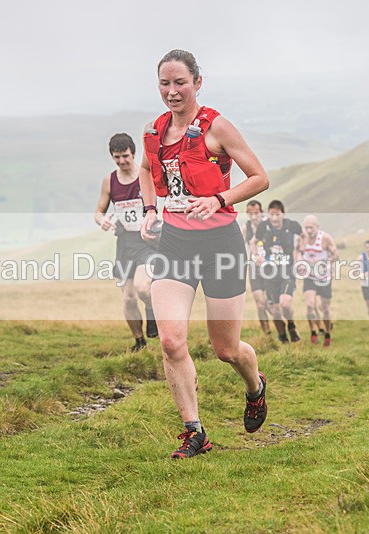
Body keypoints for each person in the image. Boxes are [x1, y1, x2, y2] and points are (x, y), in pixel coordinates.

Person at [139, 50, 269, 459]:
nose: (172, 91)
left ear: (197, 82)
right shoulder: (155, 130)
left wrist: (219, 198)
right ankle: (195, 432)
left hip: (220, 245)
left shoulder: (217, 128)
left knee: (226, 349)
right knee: (172, 342)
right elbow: (146, 169)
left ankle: (255, 386)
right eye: (165, 83)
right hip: (175, 243)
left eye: (180, 82)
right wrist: (148, 210)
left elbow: (260, 178)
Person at [94, 133, 157, 352]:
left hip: (148, 242)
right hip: (125, 244)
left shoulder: (145, 176)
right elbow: (99, 211)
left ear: (134, 153)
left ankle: (151, 309)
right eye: (117, 157)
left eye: (125, 156)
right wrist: (102, 220)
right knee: (128, 299)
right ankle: (139, 342)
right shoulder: (109, 181)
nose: (122, 161)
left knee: (142, 287)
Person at [251, 200, 302, 343]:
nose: (274, 218)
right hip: (269, 274)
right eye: (272, 215)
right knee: (275, 310)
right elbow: (253, 242)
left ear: (283, 215)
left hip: (287, 272)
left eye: (277, 215)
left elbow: (303, 237)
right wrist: (257, 256)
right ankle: (283, 338)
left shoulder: (292, 225)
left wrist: (299, 253)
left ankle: (291, 325)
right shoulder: (263, 226)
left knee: (285, 304)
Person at [298, 214, 338, 346]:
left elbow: (335, 255)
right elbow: (297, 252)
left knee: (325, 308)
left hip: (324, 278)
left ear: (317, 226)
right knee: (310, 305)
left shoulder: (325, 238)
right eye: (306, 227)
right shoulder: (302, 239)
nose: (309, 230)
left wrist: (324, 261)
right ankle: (313, 332)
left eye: (311, 227)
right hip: (309, 277)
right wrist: (299, 263)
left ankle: (327, 333)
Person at [242, 200, 271, 335]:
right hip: (254, 267)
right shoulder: (245, 228)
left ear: (262, 212)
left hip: (270, 266)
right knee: (260, 303)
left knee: (271, 303)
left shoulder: (269, 225)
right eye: (250, 213)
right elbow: (240, 247)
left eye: (256, 213)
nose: (254, 216)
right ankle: (267, 333)